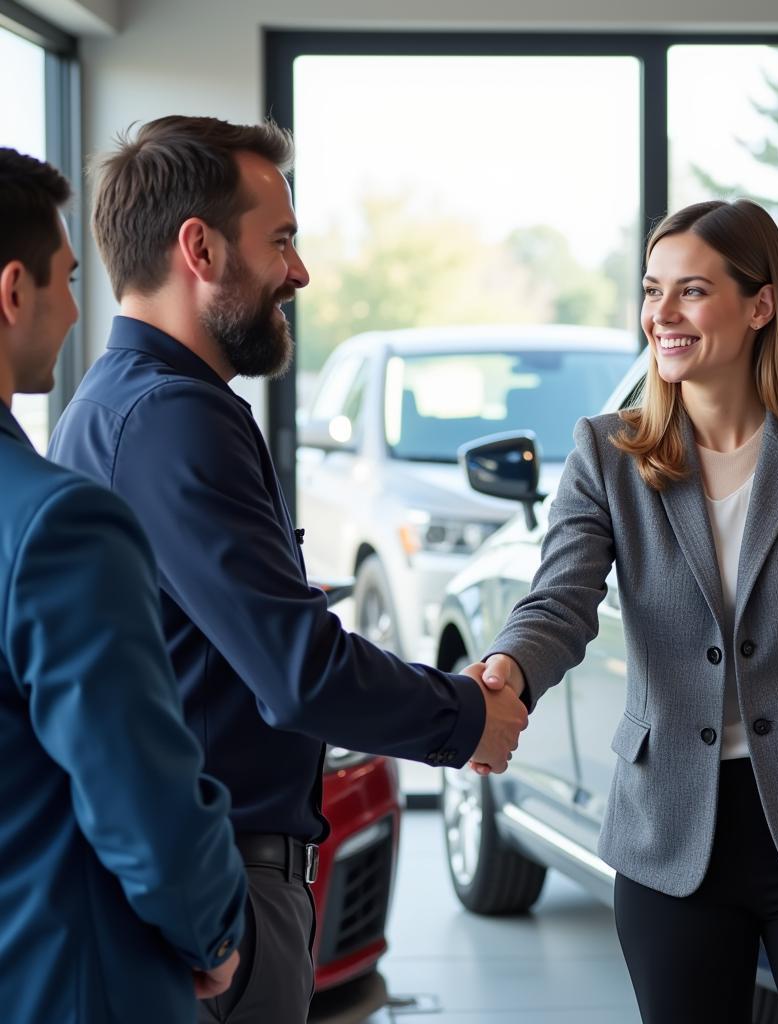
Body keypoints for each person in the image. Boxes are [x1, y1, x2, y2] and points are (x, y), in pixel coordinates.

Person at [48, 116, 527, 1024]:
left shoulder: (115, 407)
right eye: (282, 242)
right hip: (225, 888)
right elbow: (297, 672)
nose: (299, 274)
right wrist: (466, 717)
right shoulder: (174, 420)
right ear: (200, 247)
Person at [475, 199, 778, 1024]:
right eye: (654, 291)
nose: (663, 314)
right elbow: (561, 600)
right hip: (670, 835)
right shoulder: (607, 455)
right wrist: (512, 665)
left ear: (760, 306)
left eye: (691, 291)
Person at [0, 148, 248, 1023]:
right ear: (12, 292)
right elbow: (141, 795)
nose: (76, 310)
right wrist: (217, 934)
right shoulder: (56, 523)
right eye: (67, 279)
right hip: (68, 982)